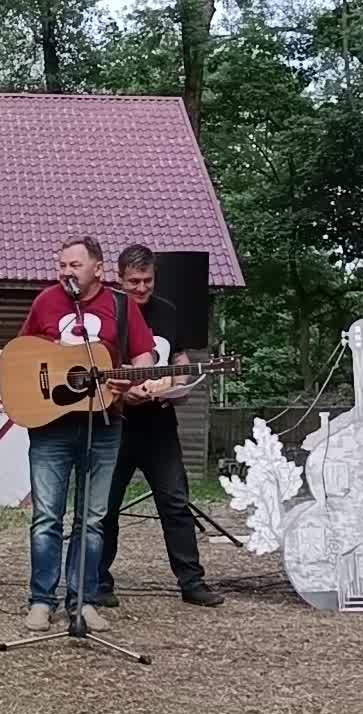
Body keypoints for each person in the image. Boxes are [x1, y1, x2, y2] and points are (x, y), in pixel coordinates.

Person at [16, 236, 153, 632]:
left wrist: (142, 382)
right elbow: (24, 352)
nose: (65, 272)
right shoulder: (45, 301)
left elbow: (143, 357)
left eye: (74, 265)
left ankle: (84, 600)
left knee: (92, 519)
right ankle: (41, 600)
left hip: (105, 424)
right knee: (46, 517)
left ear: (99, 269)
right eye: (62, 265)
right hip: (50, 426)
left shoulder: (122, 305)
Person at [93, 244, 225, 608]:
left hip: (159, 424)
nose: (141, 288)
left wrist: (179, 389)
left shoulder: (167, 312)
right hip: (114, 423)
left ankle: (192, 582)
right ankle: (98, 582)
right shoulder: (106, 312)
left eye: (147, 280)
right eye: (133, 281)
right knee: (105, 506)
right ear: (119, 279)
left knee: (175, 502)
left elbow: (180, 360)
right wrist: (120, 395)